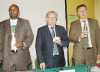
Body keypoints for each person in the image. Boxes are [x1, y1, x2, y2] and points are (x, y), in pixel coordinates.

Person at [0, 4, 34, 72]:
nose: (12, 11)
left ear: (19, 12)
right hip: (7, 59)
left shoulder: (25, 22)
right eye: (10, 10)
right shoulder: (2, 24)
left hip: (21, 57)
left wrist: (23, 43)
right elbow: (0, 41)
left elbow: (30, 37)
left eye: (14, 10)